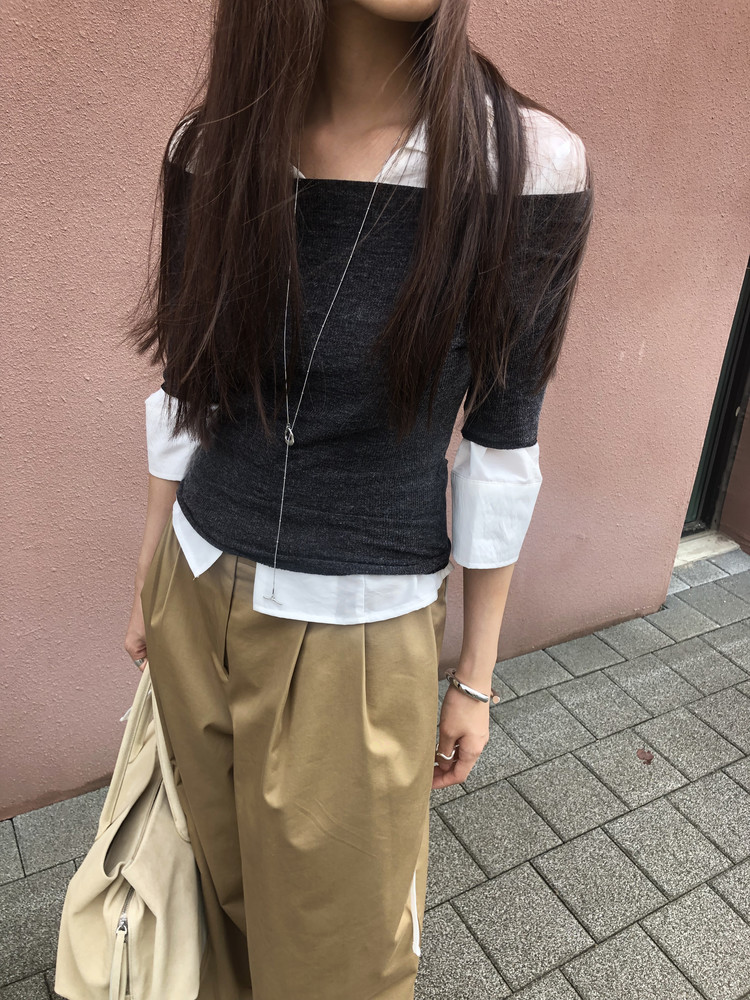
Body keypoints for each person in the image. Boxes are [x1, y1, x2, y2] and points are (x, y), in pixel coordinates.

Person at [122, 1, 593, 997]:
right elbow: (187, 385)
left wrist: (474, 674)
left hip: (357, 635)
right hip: (192, 593)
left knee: (340, 967)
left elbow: (503, 440)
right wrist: (150, 569)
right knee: (215, 922)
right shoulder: (212, 148)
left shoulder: (524, 169)